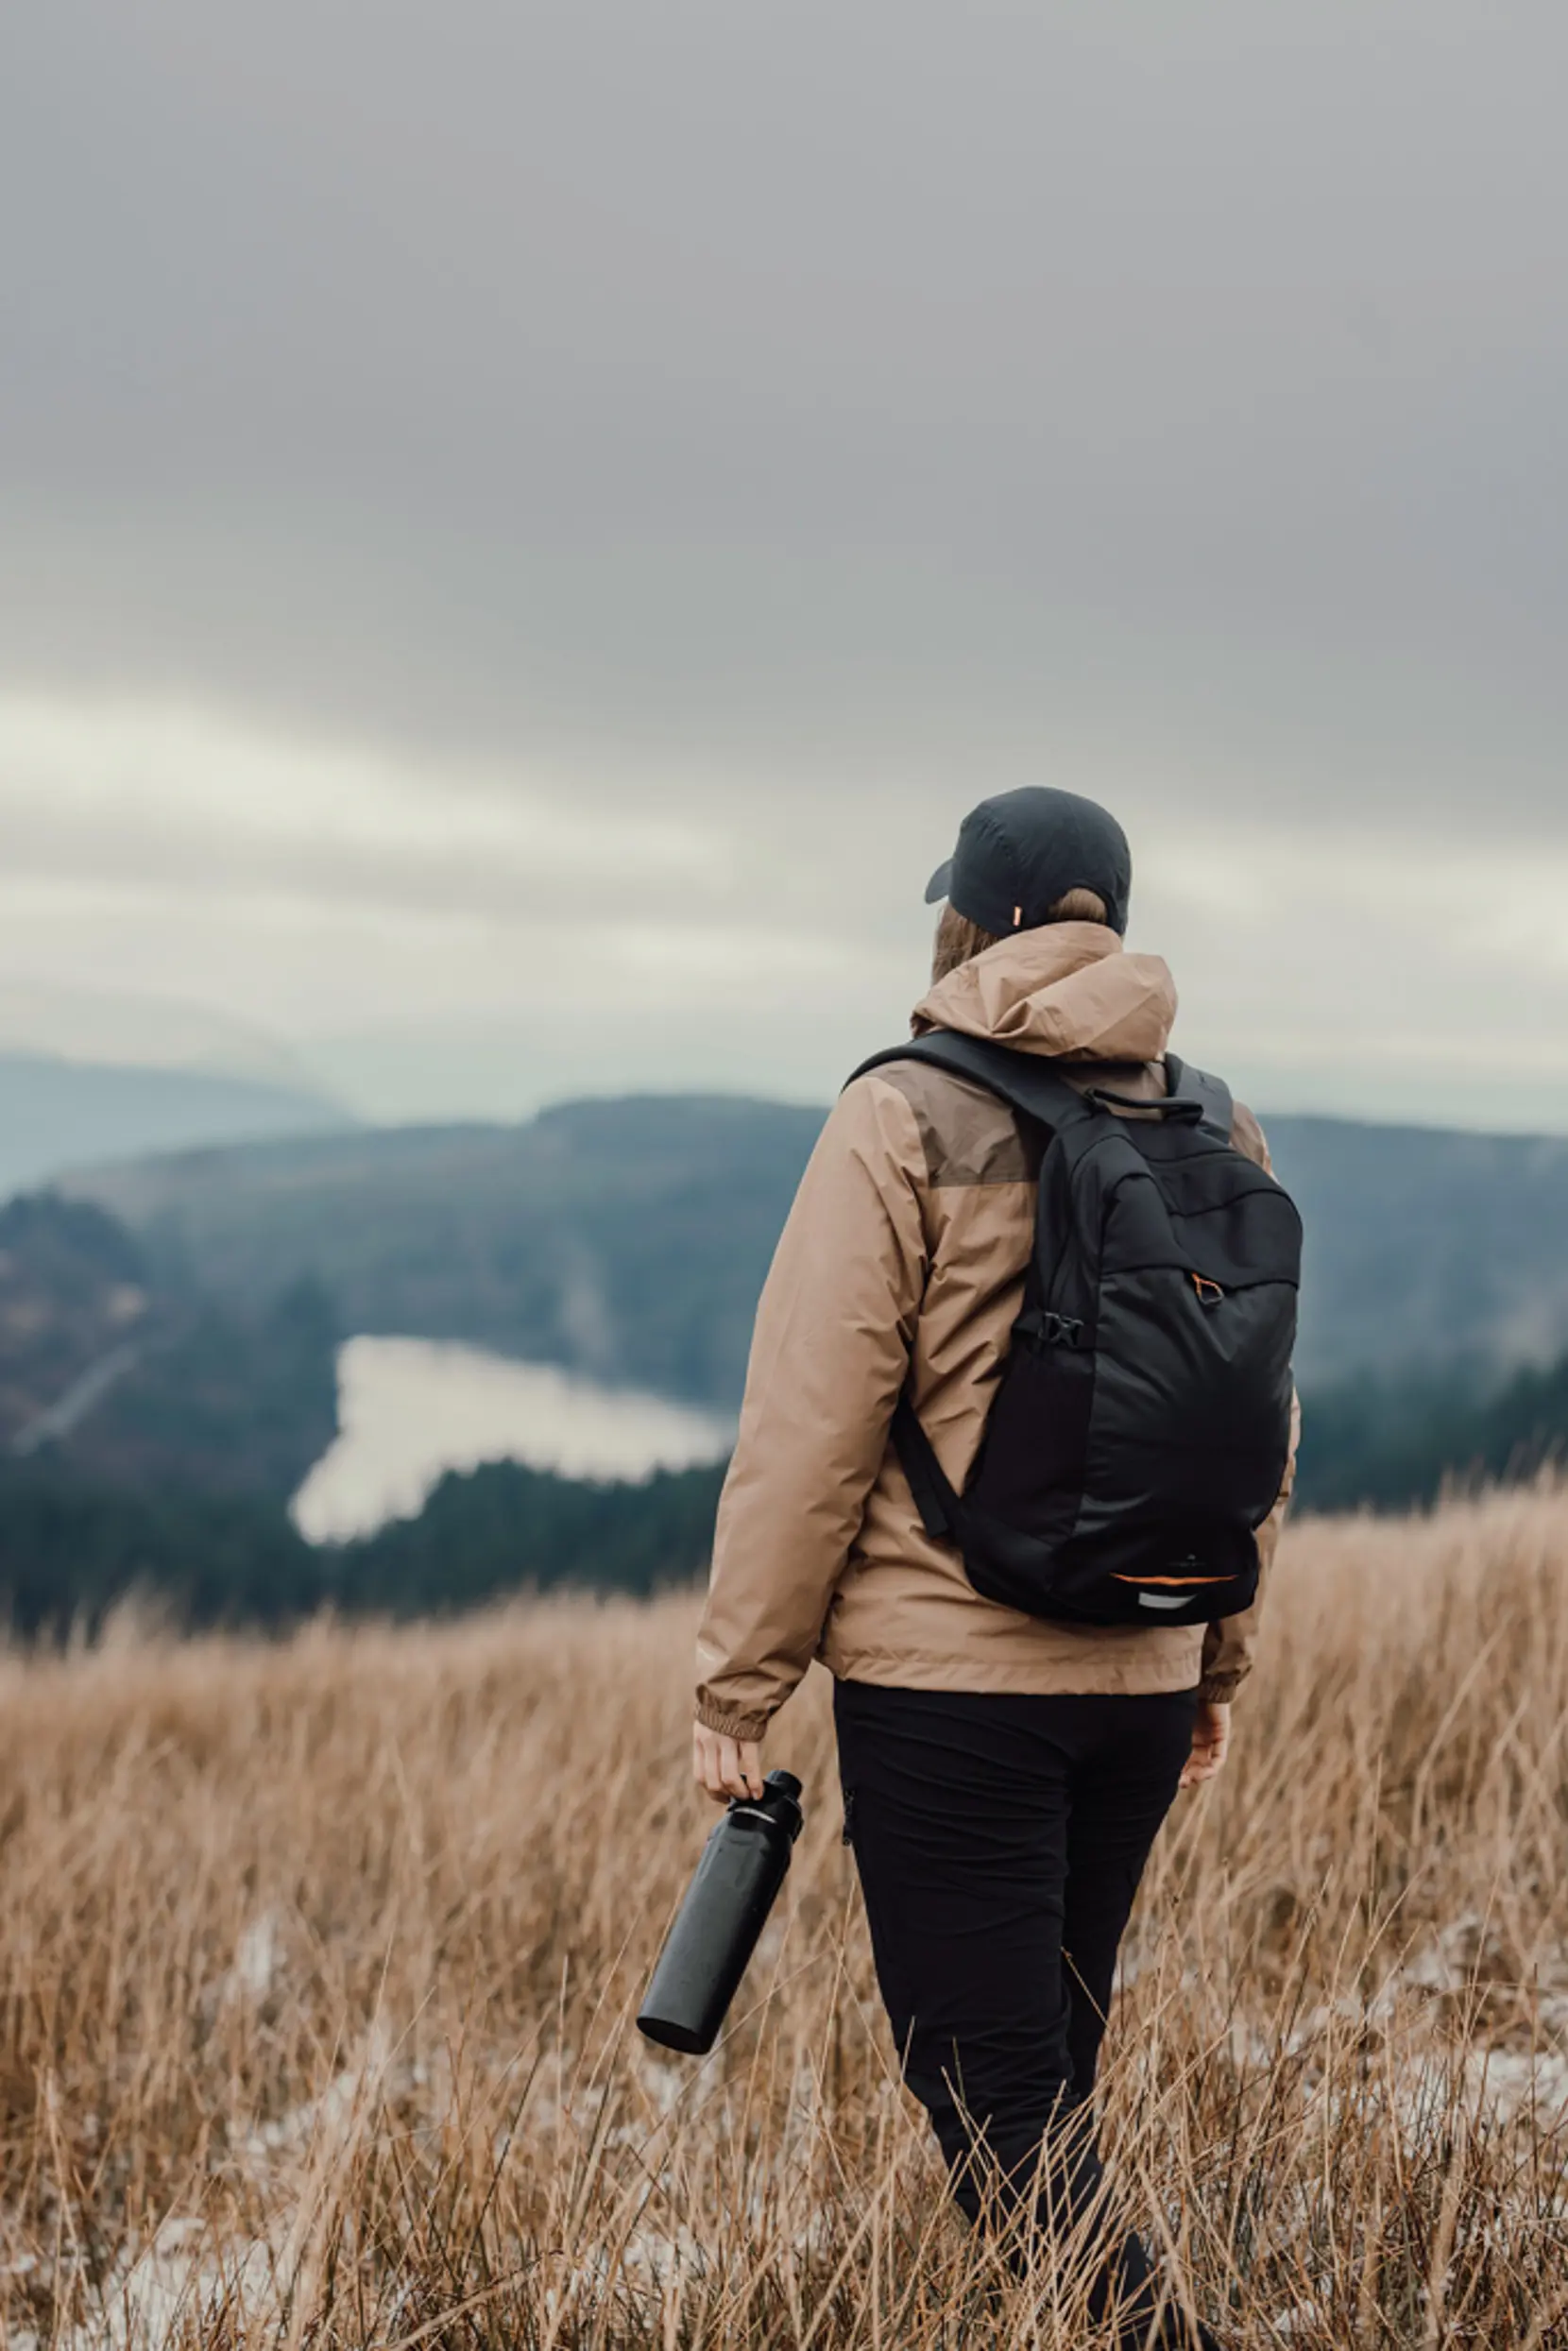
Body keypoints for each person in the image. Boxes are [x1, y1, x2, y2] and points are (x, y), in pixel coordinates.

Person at [691, 787, 1297, 2348]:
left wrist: (738, 1687)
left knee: (992, 2098)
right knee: (1048, 2085)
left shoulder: (901, 1109)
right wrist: (1212, 1658)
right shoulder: (1212, 1120)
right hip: (1146, 1673)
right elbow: (1250, 1424)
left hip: (953, 1687)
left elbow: (813, 1422)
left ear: (970, 919)